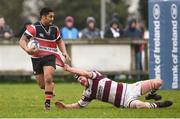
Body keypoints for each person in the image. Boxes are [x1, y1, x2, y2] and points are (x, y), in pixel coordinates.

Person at [19, 7, 71, 110]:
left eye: (53, 17)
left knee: (48, 77)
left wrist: (64, 52)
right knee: (42, 85)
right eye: (50, 16)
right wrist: (27, 49)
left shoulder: (55, 29)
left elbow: (59, 41)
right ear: (43, 17)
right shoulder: (33, 28)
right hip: (36, 58)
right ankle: (51, 87)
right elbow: (22, 40)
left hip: (50, 56)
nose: (52, 19)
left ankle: (47, 104)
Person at [55, 64, 173, 109]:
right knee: (141, 106)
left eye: (80, 77)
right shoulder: (88, 93)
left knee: (158, 82)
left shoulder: (95, 75)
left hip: (130, 88)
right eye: (78, 80)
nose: (80, 80)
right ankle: (157, 105)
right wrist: (65, 106)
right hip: (125, 101)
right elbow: (79, 105)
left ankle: (151, 95)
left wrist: (70, 69)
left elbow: (85, 73)